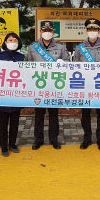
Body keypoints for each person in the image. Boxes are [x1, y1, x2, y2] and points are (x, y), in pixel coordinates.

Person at [73, 18, 100, 151]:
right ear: (86, 31)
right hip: (84, 85)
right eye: (90, 29)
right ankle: (87, 138)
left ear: (99, 31)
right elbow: (74, 66)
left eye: (95, 29)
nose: (92, 32)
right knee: (85, 113)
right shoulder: (80, 48)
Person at [26, 20, 70, 150]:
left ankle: (54, 139)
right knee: (39, 114)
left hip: (55, 86)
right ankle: (38, 139)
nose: (47, 33)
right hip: (39, 86)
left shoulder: (61, 47)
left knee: (53, 114)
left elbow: (67, 63)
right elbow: (29, 65)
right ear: (40, 32)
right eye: (44, 30)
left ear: (53, 32)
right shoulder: (33, 47)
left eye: (49, 30)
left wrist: (63, 63)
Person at [0, 33, 25, 157]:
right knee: (2, 122)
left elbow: (26, 75)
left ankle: (12, 144)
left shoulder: (22, 57)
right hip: (3, 95)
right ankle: (3, 146)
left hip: (17, 95)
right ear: (5, 42)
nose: (12, 42)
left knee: (15, 121)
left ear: (18, 43)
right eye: (10, 40)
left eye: (15, 40)